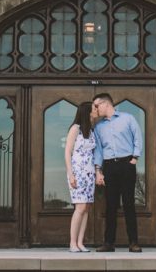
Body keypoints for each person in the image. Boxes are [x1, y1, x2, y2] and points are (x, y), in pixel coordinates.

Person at [91, 92, 143, 252]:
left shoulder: (128, 118)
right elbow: (98, 150)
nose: (95, 108)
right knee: (111, 206)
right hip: (109, 167)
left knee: (129, 204)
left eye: (96, 105)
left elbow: (138, 138)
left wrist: (134, 157)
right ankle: (109, 243)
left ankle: (133, 242)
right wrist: (98, 170)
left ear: (106, 104)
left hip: (126, 164)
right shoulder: (98, 127)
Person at [65, 100, 97, 252]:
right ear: (87, 112)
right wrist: (71, 174)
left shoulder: (91, 130)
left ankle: (80, 242)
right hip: (77, 172)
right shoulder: (75, 129)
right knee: (80, 207)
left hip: (89, 173)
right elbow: (67, 152)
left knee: (86, 208)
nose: (95, 110)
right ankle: (72, 243)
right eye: (94, 109)